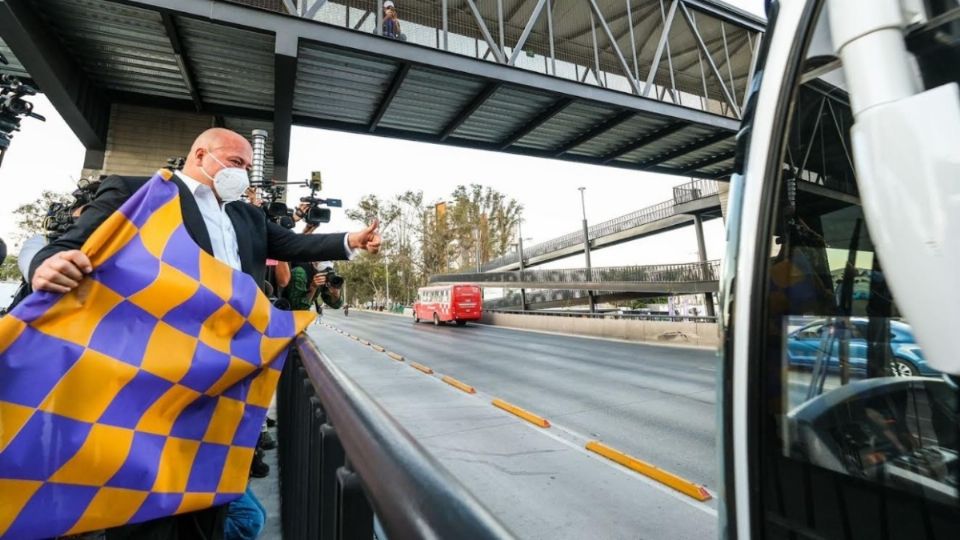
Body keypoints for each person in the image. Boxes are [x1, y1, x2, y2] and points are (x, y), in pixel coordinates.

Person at [27, 127, 382, 539]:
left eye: (248, 168)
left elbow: (291, 245)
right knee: (147, 503)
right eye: (236, 164)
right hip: (153, 378)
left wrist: (350, 240)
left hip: (225, 376)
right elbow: (66, 245)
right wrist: (45, 264)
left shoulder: (246, 215)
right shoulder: (140, 193)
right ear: (200, 155)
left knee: (210, 495)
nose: (243, 176)